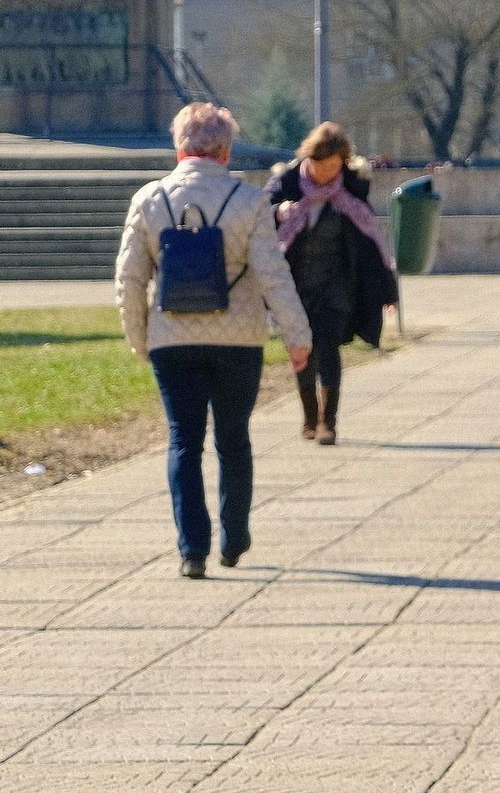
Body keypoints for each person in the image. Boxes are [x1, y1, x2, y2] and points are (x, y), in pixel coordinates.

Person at [114, 102, 312, 580]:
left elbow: (130, 279)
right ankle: (235, 536)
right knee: (233, 438)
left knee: (184, 441)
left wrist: (140, 338)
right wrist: (297, 337)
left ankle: (192, 549)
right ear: (225, 151)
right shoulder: (249, 201)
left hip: (171, 339)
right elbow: (273, 275)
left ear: (178, 147)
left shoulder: (149, 200)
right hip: (238, 339)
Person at [267, 122, 398, 446]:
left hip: (337, 284)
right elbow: (257, 216)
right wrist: (278, 212)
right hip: (295, 285)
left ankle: (328, 422)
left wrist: (387, 289)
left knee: (327, 347)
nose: (328, 173)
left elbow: (371, 242)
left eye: (334, 166)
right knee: (301, 348)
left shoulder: (351, 189)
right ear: (309, 160)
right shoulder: (286, 183)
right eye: (322, 166)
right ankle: (310, 416)